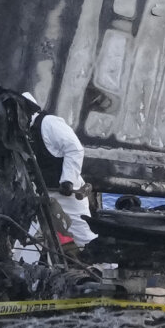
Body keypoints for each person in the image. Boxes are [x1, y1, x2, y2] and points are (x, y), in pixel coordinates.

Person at [22, 92, 98, 247]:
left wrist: (68, 181)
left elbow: (75, 149)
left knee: (84, 234)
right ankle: (22, 269)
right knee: (25, 235)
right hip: (42, 191)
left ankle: (106, 268)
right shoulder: (24, 131)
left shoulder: (49, 123)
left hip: (66, 194)